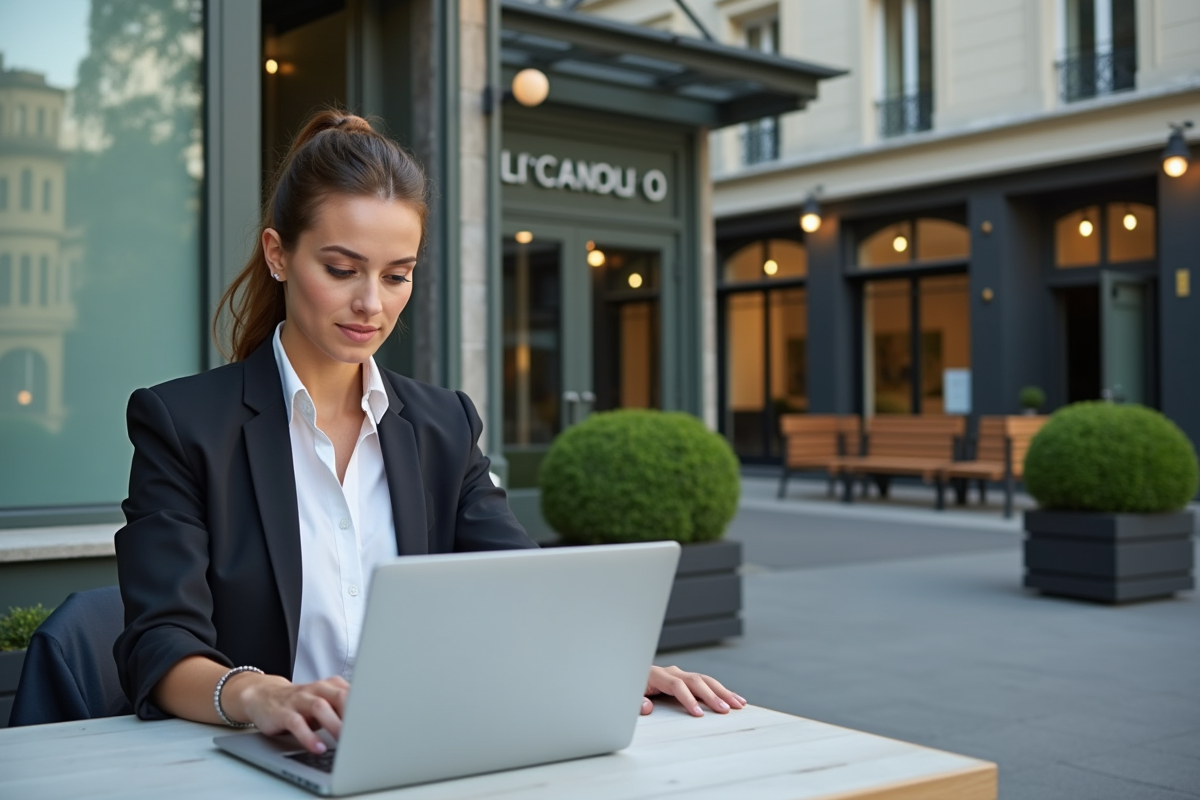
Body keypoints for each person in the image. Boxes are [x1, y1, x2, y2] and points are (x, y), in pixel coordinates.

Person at [114, 110, 744, 755]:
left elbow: (518, 581)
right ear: (279, 255)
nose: (372, 304)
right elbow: (161, 646)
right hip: (260, 759)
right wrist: (262, 695)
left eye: (396, 275)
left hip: (427, 748)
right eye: (341, 270)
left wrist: (603, 661)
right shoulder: (184, 425)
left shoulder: (443, 425)